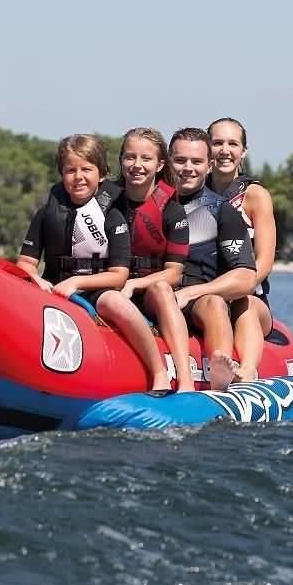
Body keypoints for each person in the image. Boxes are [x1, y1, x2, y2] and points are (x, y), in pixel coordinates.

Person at [16, 134, 170, 392]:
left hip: (97, 289)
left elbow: (119, 276)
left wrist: (77, 282)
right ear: (61, 174)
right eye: (70, 170)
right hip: (53, 289)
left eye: (86, 169)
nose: (78, 177)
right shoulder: (46, 213)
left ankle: (158, 372)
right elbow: (25, 263)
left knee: (115, 301)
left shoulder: (113, 216)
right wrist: (37, 279)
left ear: (101, 174)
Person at [169, 127, 257, 389]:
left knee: (214, 303)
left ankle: (219, 378)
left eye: (196, 162)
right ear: (167, 161)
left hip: (196, 302)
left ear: (209, 166)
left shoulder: (222, 211)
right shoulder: (147, 203)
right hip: (152, 295)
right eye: (180, 160)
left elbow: (245, 278)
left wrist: (192, 292)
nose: (187, 168)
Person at [117, 128, 194, 393]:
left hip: (150, 291)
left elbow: (173, 274)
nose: (137, 165)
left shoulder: (172, 210)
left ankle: (185, 380)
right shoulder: (107, 202)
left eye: (146, 159)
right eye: (130, 157)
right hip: (110, 286)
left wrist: (134, 285)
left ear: (160, 164)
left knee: (161, 288)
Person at [206, 117, 275, 381]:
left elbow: (265, 261)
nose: (225, 150)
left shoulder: (255, 195)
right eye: (217, 143)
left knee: (242, 305)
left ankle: (247, 372)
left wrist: (237, 288)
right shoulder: (192, 191)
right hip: (207, 296)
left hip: (250, 298)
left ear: (243, 151)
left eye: (232, 143)